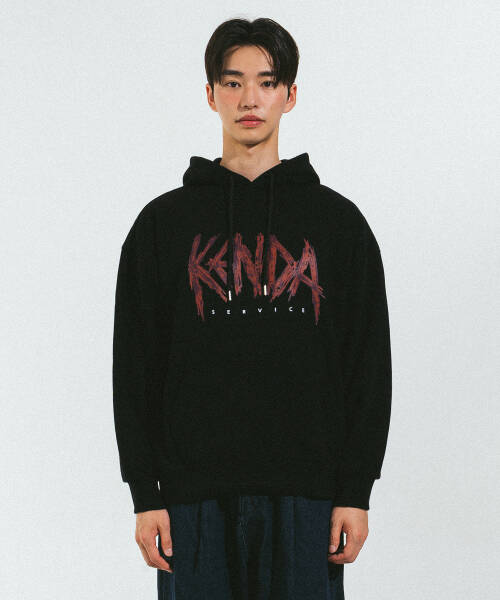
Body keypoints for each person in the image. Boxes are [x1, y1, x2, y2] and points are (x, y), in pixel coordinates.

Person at [112, 17, 392, 600]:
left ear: (290, 95)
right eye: (233, 82)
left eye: (266, 82)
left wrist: (355, 491)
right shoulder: (162, 225)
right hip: (191, 500)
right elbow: (134, 365)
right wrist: (145, 493)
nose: (249, 99)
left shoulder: (339, 225)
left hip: (308, 497)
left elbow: (367, 365)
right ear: (210, 93)